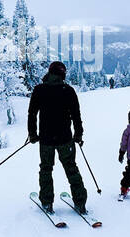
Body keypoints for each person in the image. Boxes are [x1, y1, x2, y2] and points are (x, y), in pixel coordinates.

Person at [28, 60, 88, 212]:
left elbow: (32, 114)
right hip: (65, 139)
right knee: (71, 169)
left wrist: (32, 134)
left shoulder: (39, 90)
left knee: (46, 169)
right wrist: (78, 135)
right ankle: (80, 202)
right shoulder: (68, 90)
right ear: (63, 74)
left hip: (46, 140)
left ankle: (47, 202)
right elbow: (76, 115)